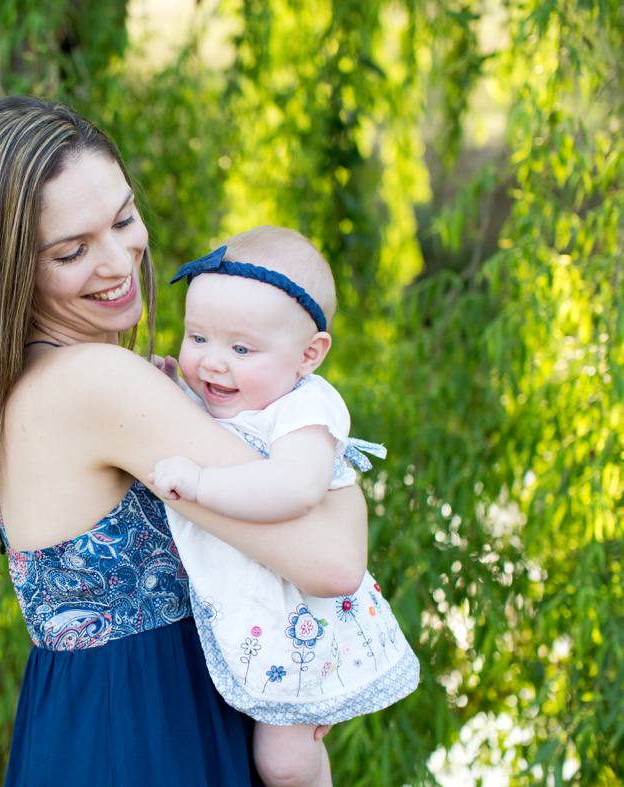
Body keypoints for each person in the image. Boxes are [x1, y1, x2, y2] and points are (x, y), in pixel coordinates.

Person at [0, 96, 369, 786]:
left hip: (100, 727)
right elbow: (333, 558)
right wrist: (316, 421)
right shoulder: (97, 380)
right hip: (144, 737)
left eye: (125, 218)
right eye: (72, 250)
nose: (119, 259)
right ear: (8, 269)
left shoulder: (36, 380)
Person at [149, 227, 420, 787]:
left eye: (241, 349)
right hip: (255, 612)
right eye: (197, 337)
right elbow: (209, 423)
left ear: (309, 356)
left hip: (306, 625)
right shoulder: (235, 393)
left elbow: (292, 487)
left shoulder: (306, 411)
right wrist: (174, 391)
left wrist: (199, 482)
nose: (214, 364)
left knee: (283, 762)